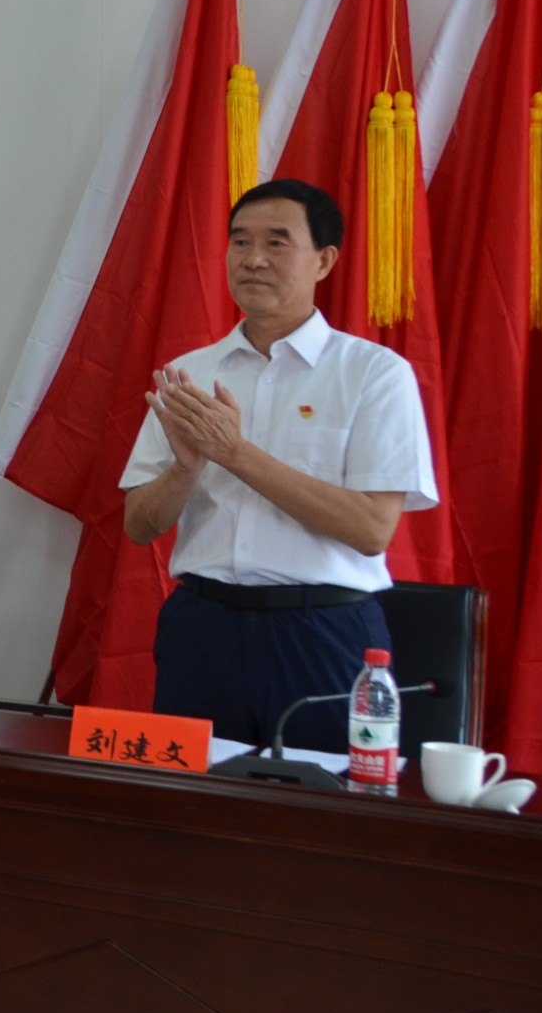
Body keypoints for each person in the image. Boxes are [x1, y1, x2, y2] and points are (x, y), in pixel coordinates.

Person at [125, 179, 438, 753]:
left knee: (323, 802)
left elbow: (372, 529)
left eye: (276, 242)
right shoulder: (189, 373)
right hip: (203, 629)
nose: (253, 259)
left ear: (324, 261)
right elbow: (139, 524)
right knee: (192, 801)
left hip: (323, 632)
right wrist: (186, 469)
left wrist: (235, 453)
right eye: (240, 241)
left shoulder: (373, 374)